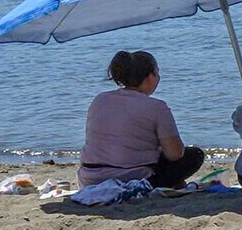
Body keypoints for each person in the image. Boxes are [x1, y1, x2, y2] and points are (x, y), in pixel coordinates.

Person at [80, 51, 205, 188]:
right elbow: (174, 154)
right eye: (157, 73)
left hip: (90, 178)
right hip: (133, 179)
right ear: (150, 77)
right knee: (195, 155)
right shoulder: (156, 107)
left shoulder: (100, 100)